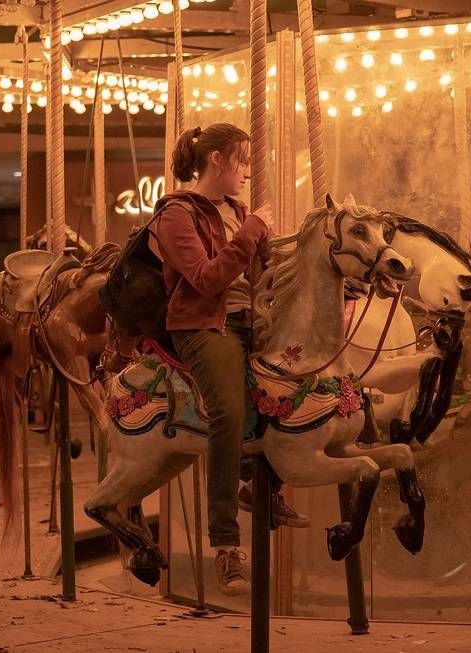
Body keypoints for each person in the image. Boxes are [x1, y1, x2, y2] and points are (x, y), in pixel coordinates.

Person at [152, 123, 310, 597]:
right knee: (228, 411)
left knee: (300, 386)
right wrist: (252, 231)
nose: (246, 171)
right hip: (203, 325)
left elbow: (262, 273)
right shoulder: (176, 214)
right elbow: (205, 278)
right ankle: (224, 544)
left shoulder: (238, 211)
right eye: (241, 161)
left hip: (250, 320)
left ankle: (260, 483)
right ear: (217, 161)